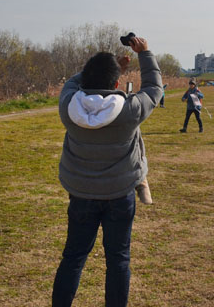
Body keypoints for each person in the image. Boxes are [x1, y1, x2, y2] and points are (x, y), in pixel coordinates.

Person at [52, 35, 163, 307]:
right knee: (118, 259)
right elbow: (154, 89)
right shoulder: (129, 110)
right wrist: (144, 53)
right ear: (116, 84)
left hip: (81, 194)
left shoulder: (69, 106)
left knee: (73, 257)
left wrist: (110, 66)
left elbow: (73, 83)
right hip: (120, 194)